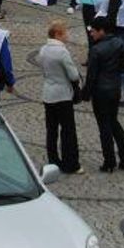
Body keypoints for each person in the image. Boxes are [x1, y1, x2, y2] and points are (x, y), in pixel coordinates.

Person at [29, 20, 82, 174]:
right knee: (68, 130)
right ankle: (71, 163)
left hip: (48, 93)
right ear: (58, 34)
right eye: (65, 32)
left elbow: (40, 63)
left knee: (51, 130)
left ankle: (53, 159)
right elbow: (73, 75)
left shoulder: (43, 50)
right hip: (63, 95)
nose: (67, 35)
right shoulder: (62, 52)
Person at [82, 16, 124, 172]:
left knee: (104, 127)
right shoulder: (119, 43)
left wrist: (85, 94)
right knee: (114, 122)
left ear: (102, 31)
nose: (91, 34)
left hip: (101, 92)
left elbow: (91, 76)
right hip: (115, 88)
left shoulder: (96, 50)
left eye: (93, 31)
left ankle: (109, 162)